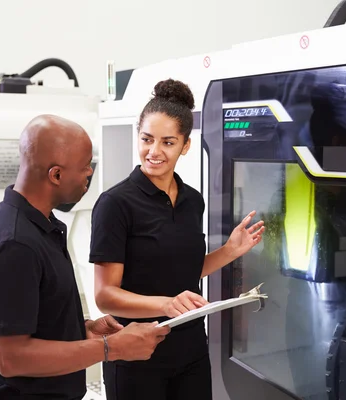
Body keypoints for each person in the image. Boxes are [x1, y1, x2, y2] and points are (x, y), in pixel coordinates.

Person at [89, 79, 266, 400]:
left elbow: (182, 272)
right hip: (136, 350)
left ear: (185, 145)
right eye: (146, 139)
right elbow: (105, 295)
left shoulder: (191, 200)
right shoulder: (115, 204)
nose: (154, 152)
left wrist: (230, 250)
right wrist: (165, 304)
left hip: (191, 349)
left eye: (168, 142)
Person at [0, 114, 171, 400]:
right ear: (56, 175)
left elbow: (36, 322)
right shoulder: (15, 245)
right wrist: (111, 348)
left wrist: (83, 331)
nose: (90, 173)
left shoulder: (43, 227)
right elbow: (12, 358)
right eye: (85, 168)